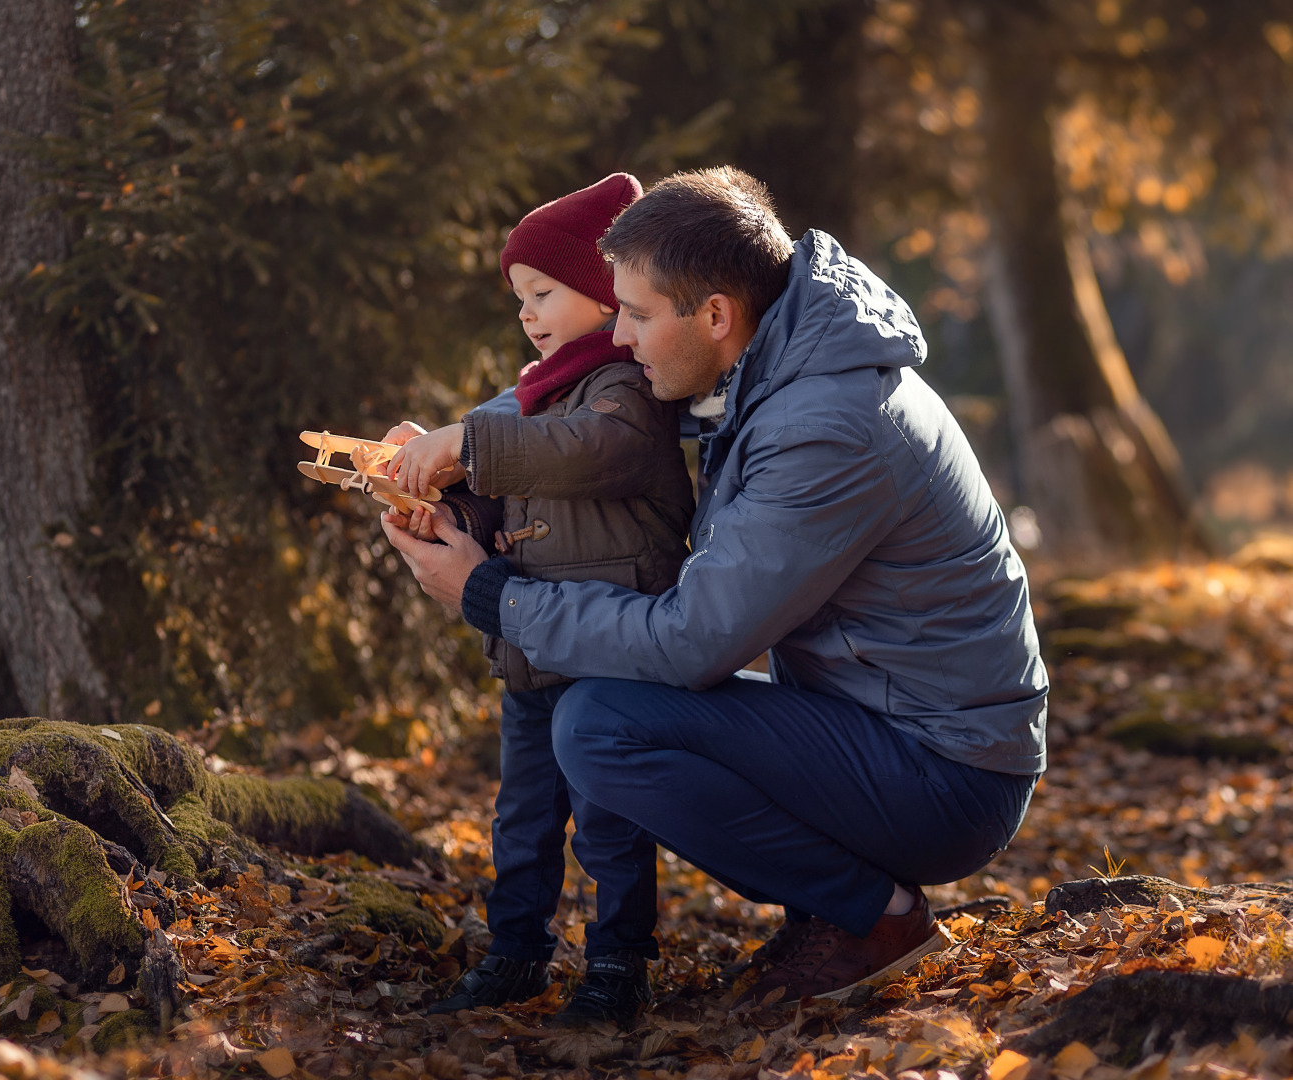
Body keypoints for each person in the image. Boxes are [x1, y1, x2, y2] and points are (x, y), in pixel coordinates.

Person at [381, 166, 1048, 1008]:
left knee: (599, 725)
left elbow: (693, 641)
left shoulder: (824, 426)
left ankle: (876, 918)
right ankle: (830, 908)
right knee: (610, 712)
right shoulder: (779, 372)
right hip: (890, 726)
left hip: (945, 775)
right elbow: (558, 413)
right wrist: (456, 457)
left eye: (637, 314)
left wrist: (490, 597)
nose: (618, 339)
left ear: (717, 314)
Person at [382, 173, 695, 1027]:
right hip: (528, 645)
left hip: (605, 653)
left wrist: (470, 442)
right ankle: (516, 950)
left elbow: (584, 456)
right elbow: (513, 498)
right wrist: (444, 503)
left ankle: (618, 963)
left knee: (609, 824)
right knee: (521, 819)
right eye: (520, 297)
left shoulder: (625, 392)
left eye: (544, 292)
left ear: (605, 293)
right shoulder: (536, 394)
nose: (526, 313)